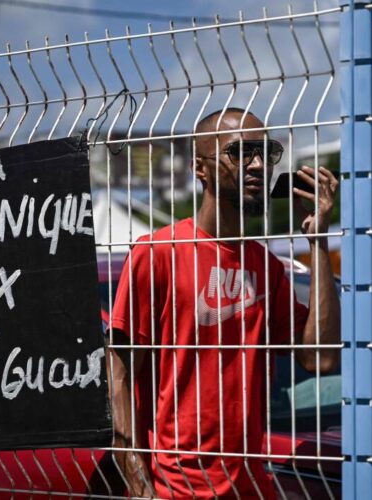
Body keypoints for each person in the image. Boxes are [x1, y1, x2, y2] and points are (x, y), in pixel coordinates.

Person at [107, 108, 341, 499]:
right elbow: (117, 376)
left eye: (265, 154)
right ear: (201, 169)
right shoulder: (159, 252)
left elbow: (321, 358)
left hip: (251, 487)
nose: (256, 165)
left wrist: (318, 240)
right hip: (175, 490)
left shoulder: (265, 266)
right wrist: (139, 485)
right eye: (240, 153)